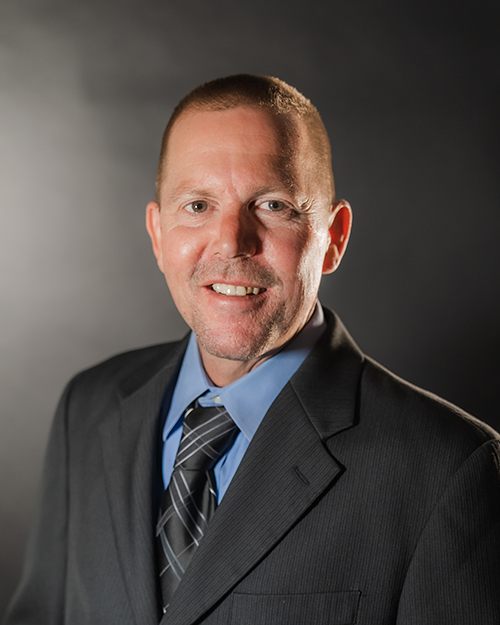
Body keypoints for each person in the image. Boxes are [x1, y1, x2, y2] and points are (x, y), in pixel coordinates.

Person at [4, 75, 500, 625]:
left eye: (271, 204)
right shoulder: (88, 408)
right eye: (197, 205)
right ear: (158, 234)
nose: (230, 241)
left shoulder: (450, 470)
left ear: (333, 238)